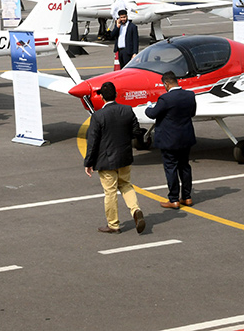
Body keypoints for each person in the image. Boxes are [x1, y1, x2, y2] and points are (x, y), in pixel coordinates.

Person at [83, 82, 146, 234]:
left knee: (110, 192)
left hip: (106, 160)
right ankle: (135, 209)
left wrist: (88, 162)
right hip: (124, 156)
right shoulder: (127, 110)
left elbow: (93, 142)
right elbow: (137, 131)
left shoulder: (98, 116)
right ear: (116, 95)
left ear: (102, 97)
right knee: (126, 185)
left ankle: (113, 224)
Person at [146, 71, 197, 209]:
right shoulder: (190, 95)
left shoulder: (165, 99)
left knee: (171, 168)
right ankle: (187, 197)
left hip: (169, 139)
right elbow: (192, 113)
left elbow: (152, 114)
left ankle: (173, 198)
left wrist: (149, 106)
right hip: (185, 137)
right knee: (184, 166)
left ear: (167, 83)